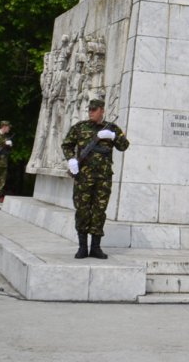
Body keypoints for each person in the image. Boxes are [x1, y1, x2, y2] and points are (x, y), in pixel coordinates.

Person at [62, 98, 130, 259]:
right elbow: (67, 145)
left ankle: (96, 247)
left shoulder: (112, 128)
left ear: (102, 110)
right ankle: (82, 247)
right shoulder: (79, 128)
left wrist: (113, 136)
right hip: (83, 177)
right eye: (90, 109)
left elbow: (124, 146)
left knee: (99, 211)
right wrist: (71, 159)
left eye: (94, 109)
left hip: (103, 178)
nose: (91, 112)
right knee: (83, 210)